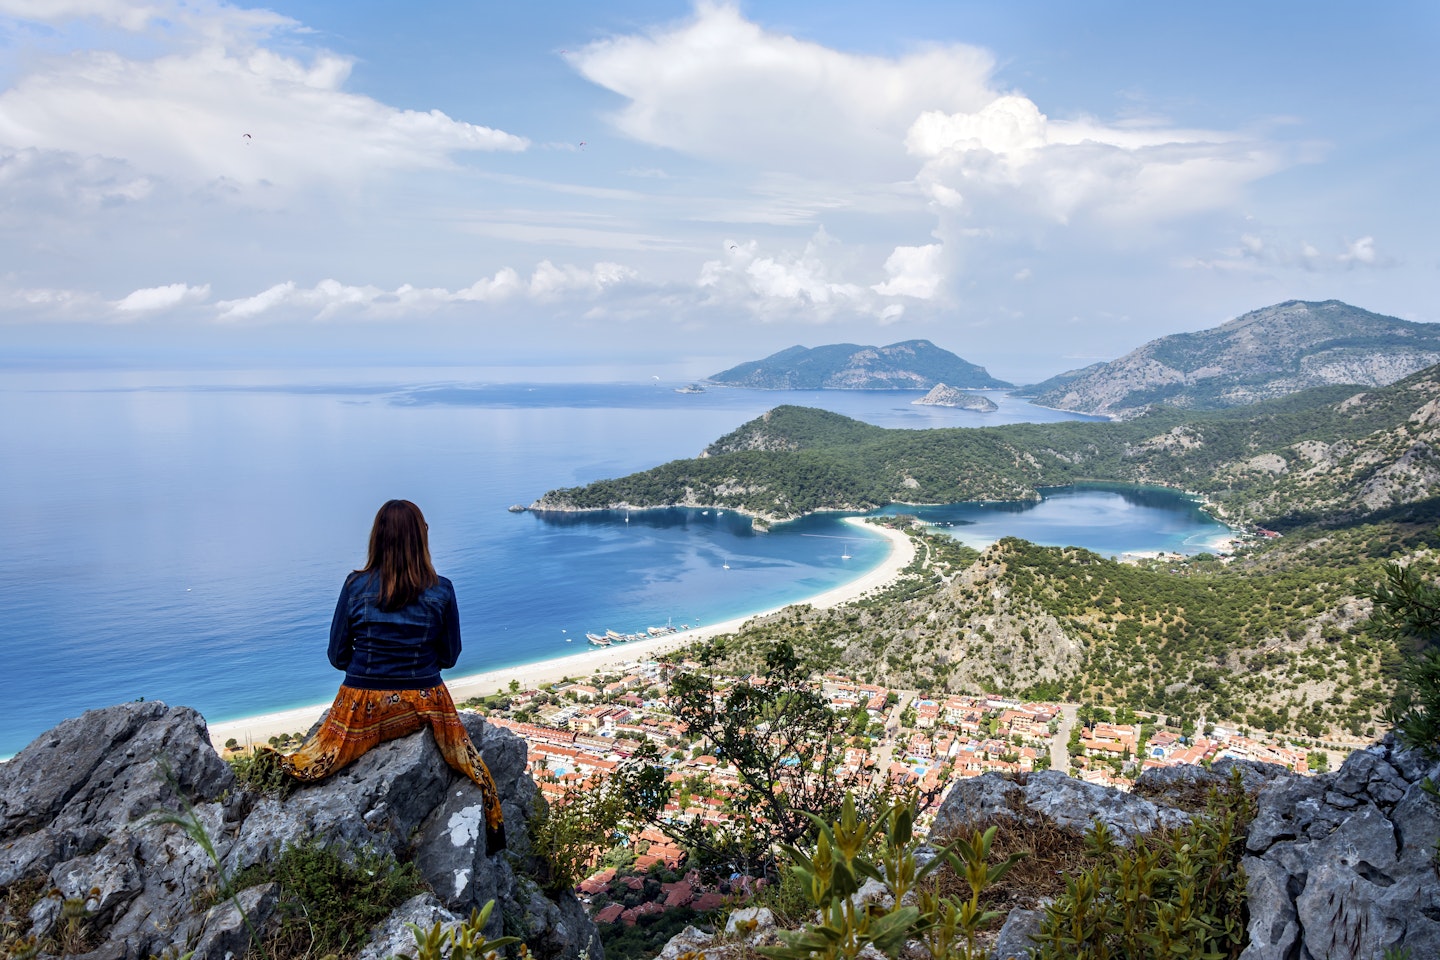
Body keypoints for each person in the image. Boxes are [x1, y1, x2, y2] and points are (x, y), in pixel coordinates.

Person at [274, 499, 504, 854]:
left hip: (361, 703)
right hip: (424, 703)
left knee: (307, 763)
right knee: (476, 770)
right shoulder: (442, 589)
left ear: (377, 539)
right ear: (421, 538)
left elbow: (337, 656)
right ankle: (494, 842)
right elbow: (450, 657)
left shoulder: (354, 586)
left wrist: (369, 668)